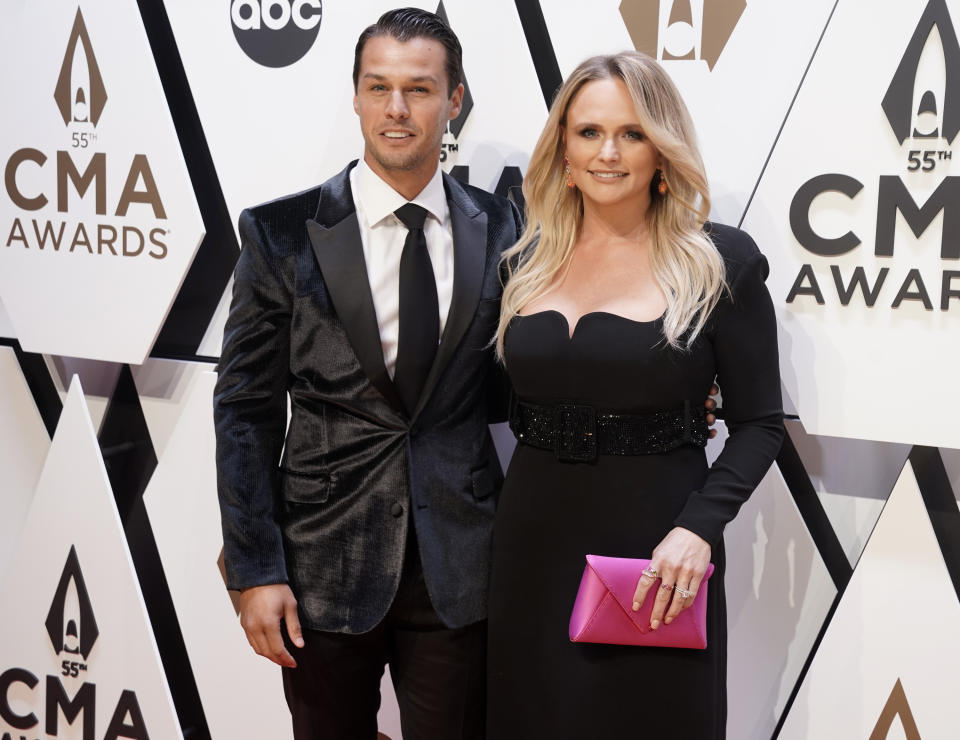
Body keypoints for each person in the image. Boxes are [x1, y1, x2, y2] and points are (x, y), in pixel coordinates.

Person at [213, 8, 523, 739]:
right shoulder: (280, 234)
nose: (395, 108)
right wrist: (254, 569)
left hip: (461, 568)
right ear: (354, 95)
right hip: (320, 565)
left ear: (454, 101)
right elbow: (245, 410)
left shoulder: (506, 229)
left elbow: (536, 376)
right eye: (377, 86)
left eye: (418, 89)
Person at [486, 51, 785, 739]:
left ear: (663, 149)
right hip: (531, 542)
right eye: (589, 132)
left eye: (633, 133)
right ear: (563, 146)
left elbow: (760, 424)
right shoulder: (525, 259)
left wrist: (698, 530)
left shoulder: (719, 261)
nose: (609, 153)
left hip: (656, 551)